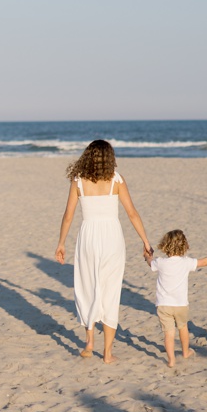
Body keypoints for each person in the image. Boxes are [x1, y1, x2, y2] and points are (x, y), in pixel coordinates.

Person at [54, 139, 153, 363]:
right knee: (110, 291)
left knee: (87, 287)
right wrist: (146, 242)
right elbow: (132, 213)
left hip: (88, 237)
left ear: (87, 156)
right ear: (110, 158)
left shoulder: (78, 181)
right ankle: (107, 353)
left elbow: (68, 215)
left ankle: (89, 341)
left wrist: (61, 243)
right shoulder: (116, 180)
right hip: (111, 238)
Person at [148, 229, 207, 368]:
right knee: (183, 328)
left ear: (165, 245)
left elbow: (150, 263)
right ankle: (185, 352)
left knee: (168, 333)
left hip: (163, 305)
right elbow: (204, 262)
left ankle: (171, 360)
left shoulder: (160, 262)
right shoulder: (186, 262)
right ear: (184, 245)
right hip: (180, 304)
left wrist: (147, 256)